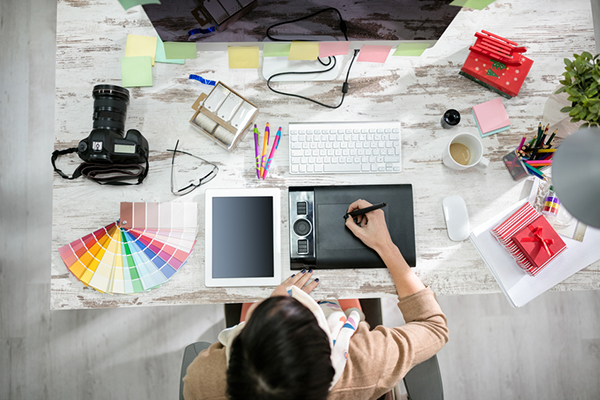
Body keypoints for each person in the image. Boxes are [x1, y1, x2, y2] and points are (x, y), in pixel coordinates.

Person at [183, 199, 449, 400]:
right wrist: (386, 246)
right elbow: (434, 327)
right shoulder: (366, 362)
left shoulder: (204, 382)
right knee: (349, 299)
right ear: (329, 344)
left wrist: (268, 300)